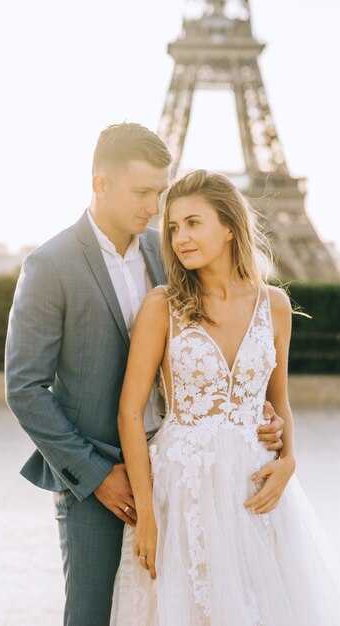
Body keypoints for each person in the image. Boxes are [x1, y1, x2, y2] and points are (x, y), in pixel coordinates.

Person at [5, 125, 284, 626]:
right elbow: (24, 387)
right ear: (100, 184)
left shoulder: (170, 251)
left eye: (160, 192)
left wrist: (252, 409)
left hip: (182, 475)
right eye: (142, 193)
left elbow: (226, 340)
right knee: (91, 615)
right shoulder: (51, 265)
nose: (156, 208)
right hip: (99, 480)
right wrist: (96, 476)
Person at [110, 169, 340, 625]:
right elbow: (129, 412)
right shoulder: (163, 305)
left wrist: (290, 459)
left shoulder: (274, 305)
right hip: (185, 488)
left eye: (193, 223)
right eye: (173, 227)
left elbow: (280, 401)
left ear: (230, 227)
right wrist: (150, 517)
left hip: (256, 488)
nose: (179, 238)